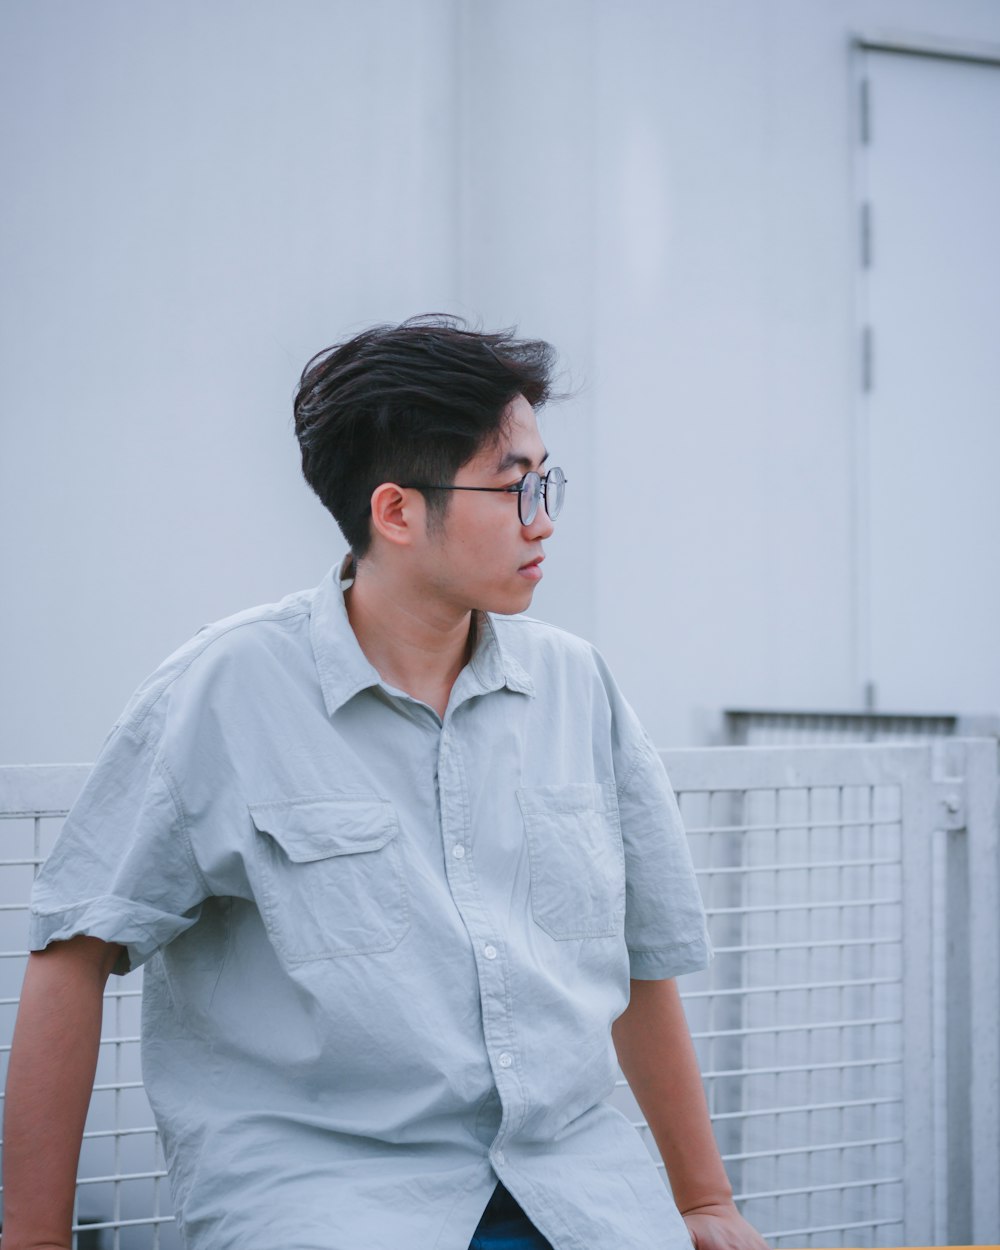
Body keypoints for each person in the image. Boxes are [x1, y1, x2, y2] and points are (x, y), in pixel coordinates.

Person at [3, 317, 767, 1250]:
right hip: (328, 1204)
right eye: (512, 485)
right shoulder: (224, 690)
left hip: (582, 1197)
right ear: (397, 512)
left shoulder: (579, 687)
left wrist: (703, 1204)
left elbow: (642, 963)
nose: (545, 518)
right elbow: (72, 950)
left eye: (546, 479)